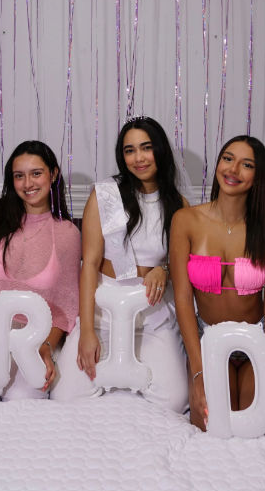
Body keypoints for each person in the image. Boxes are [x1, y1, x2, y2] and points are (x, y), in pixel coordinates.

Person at [52, 116, 189, 412]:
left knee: (175, 401)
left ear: (160, 151)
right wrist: (87, 330)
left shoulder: (178, 205)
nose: (138, 158)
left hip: (150, 316)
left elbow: (182, 268)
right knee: (64, 396)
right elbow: (88, 264)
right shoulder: (106, 195)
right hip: (103, 314)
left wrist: (162, 269)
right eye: (129, 150)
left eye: (146, 148)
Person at [170, 135, 265, 433]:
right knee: (211, 423)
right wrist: (198, 372)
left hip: (259, 338)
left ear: (257, 175)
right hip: (207, 338)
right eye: (227, 158)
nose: (233, 169)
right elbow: (183, 299)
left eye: (246, 164)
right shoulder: (185, 220)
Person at [0, 140, 80, 400]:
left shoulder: (67, 233)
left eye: (36, 173)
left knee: (25, 404)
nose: (28, 184)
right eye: (19, 176)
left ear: (53, 174)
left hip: (33, 341)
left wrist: (46, 348)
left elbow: (65, 308)